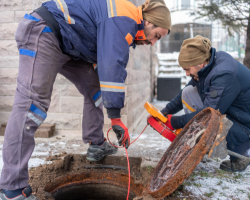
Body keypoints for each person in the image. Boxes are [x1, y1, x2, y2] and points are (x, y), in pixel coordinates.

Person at [0, 0, 171, 199]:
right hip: (45, 31)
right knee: (31, 106)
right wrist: (115, 119)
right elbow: (113, 67)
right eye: (156, 36)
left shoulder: (126, 22)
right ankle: (12, 188)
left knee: (95, 89)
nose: (152, 43)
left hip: (69, 44)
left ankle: (96, 143)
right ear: (148, 22)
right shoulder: (125, 19)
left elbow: (103, 58)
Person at [160, 35, 250, 173]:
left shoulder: (223, 74)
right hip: (232, 112)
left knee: (209, 117)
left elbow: (209, 113)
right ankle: (202, 142)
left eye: (188, 69)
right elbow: (186, 91)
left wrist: (175, 122)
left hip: (244, 126)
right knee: (189, 92)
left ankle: (242, 155)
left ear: (201, 63)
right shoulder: (208, 65)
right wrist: (166, 111)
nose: (186, 73)